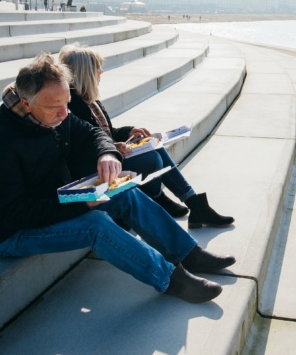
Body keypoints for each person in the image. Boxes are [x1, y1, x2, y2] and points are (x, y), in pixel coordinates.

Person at [0, 53, 235, 303]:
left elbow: (90, 133)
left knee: (127, 193)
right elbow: (12, 215)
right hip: (10, 233)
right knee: (96, 223)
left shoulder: (53, 114)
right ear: (27, 104)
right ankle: (170, 279)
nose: (65, 114)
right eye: (56, 107)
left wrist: (107, 153)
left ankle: (189, 254)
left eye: (66, 104)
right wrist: (80, 204)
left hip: (57, 202)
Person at [58, 43, 234, 229]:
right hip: (99, 168)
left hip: (111, 156)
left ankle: (193, 203)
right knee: (151, 160)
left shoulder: (89, 100)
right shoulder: (70, 106)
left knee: (154, 145)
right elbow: (79, 147)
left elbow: (106, 132)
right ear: (86, 73)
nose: (101, 73)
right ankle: (165, 199)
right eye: (98, 69)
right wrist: (111, 148)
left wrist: (128, 131)